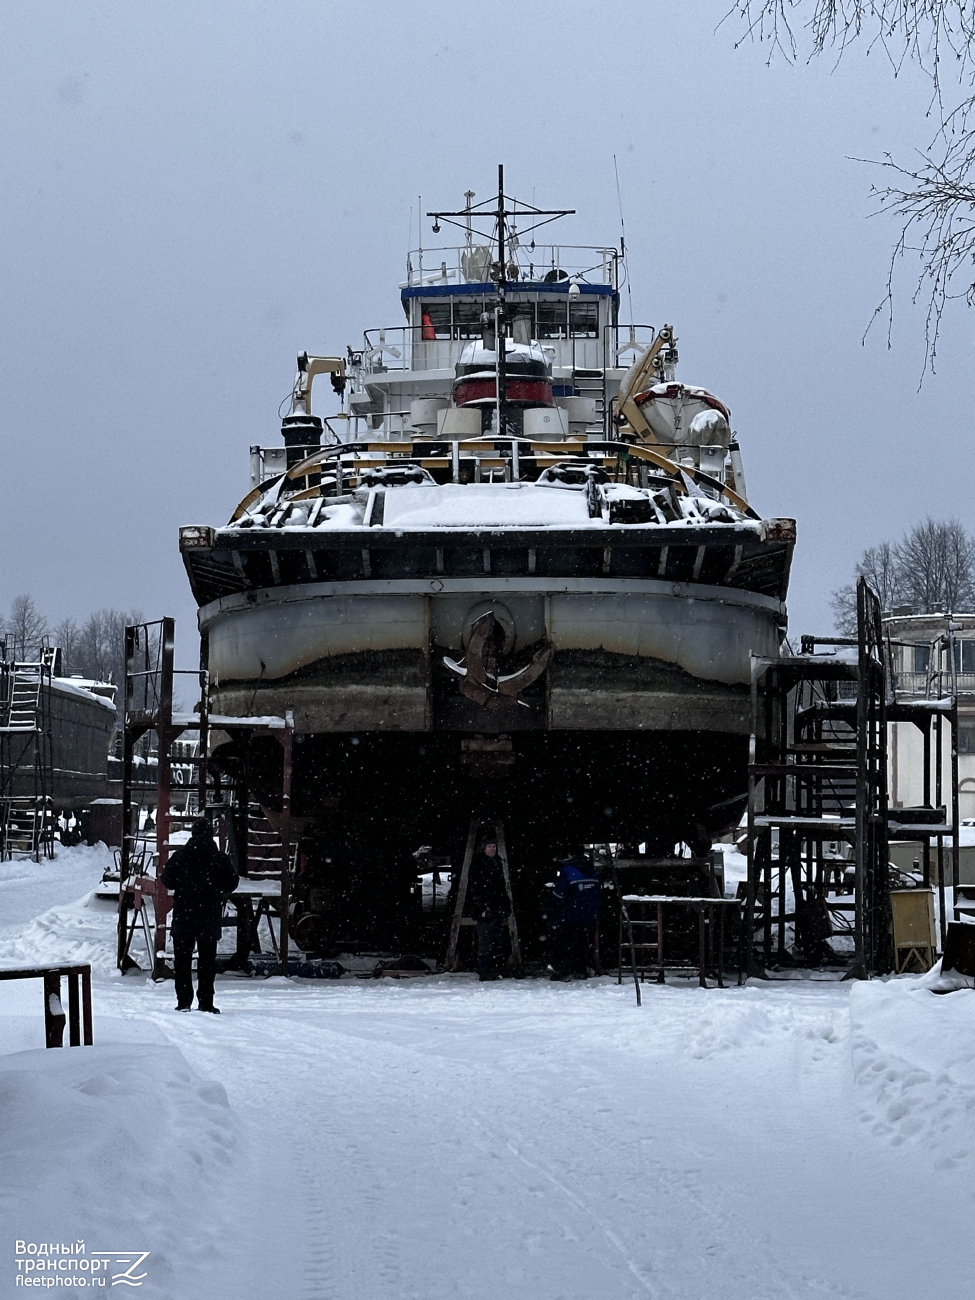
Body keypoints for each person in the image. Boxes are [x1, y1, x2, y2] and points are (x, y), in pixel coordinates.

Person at [161, 819, 238, 1013]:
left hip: (184, 914)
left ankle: (184, 1002)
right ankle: (205, 1002)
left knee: (182, 961)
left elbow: (167, 881)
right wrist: (216, 889)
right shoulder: (220, 858)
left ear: (192, 834)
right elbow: (232, 882)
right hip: (209, 915)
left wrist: (185, 885)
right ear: (210, 834)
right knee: (207, 963)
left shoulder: (180, 856)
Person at [466, 834, 511, 981]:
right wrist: (481, 906)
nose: (492, 849)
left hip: (496, 906)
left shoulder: (497, 862)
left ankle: (492, 968)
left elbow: (501, 887)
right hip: (485, 907)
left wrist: (505, 905)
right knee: (485, 939)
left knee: (496, 939)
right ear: (483, 849)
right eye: (489, 847)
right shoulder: (478, 864)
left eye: (494, 847)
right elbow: (476, 888)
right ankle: (484, 970)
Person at [550, 851, 602, 981]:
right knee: (582, 940)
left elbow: (558, 894)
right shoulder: (591, 870)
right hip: (590, 913)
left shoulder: (568, 870)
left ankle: (564, 970)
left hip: (572, 912)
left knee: (565, 940)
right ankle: (580, 969)